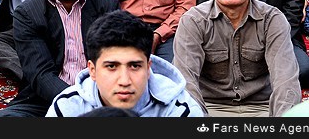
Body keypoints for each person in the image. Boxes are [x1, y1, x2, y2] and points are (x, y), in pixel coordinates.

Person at [0, 0, 120, 117]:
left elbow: (115, 61)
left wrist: (96, 101)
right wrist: (77, 104)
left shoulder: (106, 5)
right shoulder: (28, 13)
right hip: (47, 98)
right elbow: (41, 75)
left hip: (100, 95)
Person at [173, 0, 302, 117]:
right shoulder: (193, 21)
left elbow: (286, 82)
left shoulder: (272, 20)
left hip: (262, 108)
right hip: (210, 108)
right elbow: (185, 82)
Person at [47, 10, 204, 117]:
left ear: (149, 67)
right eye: (111, 67)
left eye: (135, 66)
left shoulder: (180, 109)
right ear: (92, 70)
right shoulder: (67, 108)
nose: (124, 81)